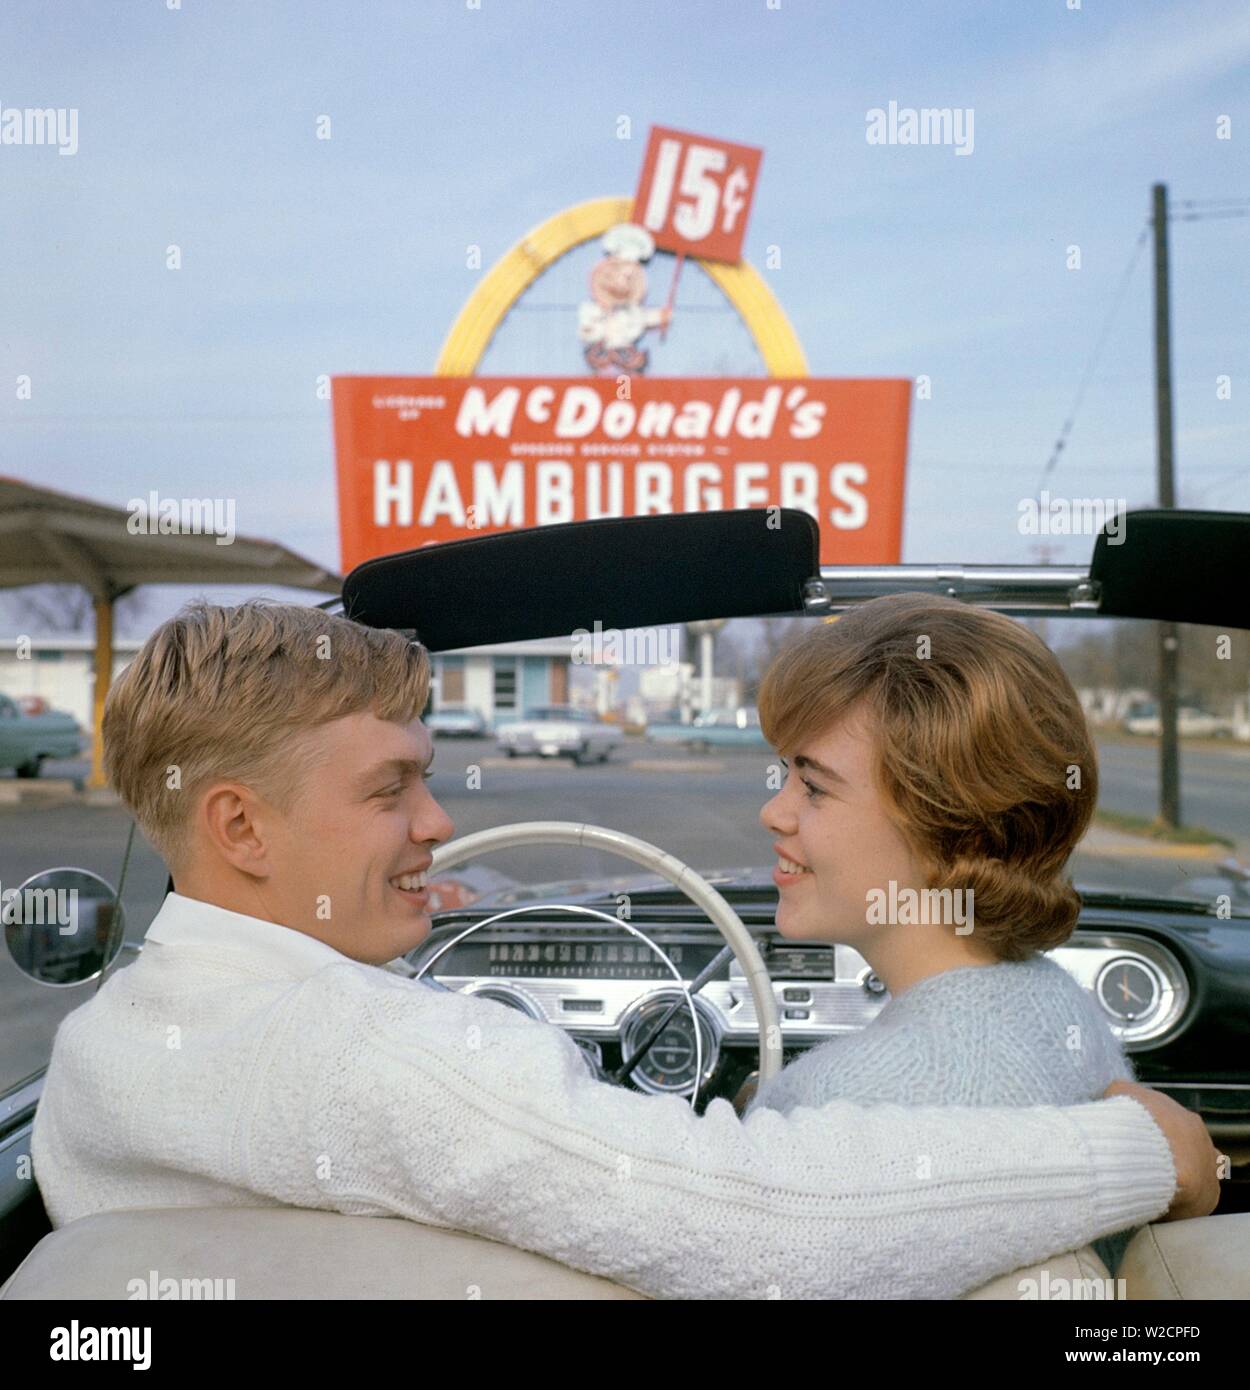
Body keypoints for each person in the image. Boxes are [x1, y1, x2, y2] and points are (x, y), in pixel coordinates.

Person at [31, 601, 1219, 1300]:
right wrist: (1131, 1148)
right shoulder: (385, 1060)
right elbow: (766, 1223)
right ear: (239, 824)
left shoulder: (95, 1062)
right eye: (392, 790)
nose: (436, 821)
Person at [748, 594, 1144, 1274]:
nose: (772, 811)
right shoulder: (1058, 1005)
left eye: (813, 787)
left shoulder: (837, 1103)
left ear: (946, 827)